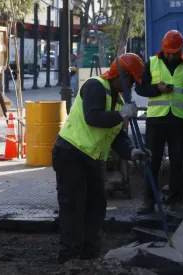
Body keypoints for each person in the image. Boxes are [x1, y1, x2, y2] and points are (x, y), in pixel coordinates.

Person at [52, 53, 152, 263]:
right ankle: (68, 257)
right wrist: (122, 115)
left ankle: (89, 254)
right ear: (121, 74)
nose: (132, 86)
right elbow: (93, 117)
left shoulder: (118, 101)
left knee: (96, 205)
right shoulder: (95, 86)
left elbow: (117, 136)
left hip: (92, 158)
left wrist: (131, 152)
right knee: (73, 206)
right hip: (71, 153)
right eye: (131, 80)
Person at [135, 30, 183, 214]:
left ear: (180, 50)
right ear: (163, 48)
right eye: (168, 52)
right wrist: (157, 88)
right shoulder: (152, 62)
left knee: (177, 161)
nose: (170, 55)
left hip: (179, 121)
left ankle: (176, 200)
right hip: (156, 120)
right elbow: (140, 88)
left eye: (174, 52)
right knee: (152, 160)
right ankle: (148, 201)